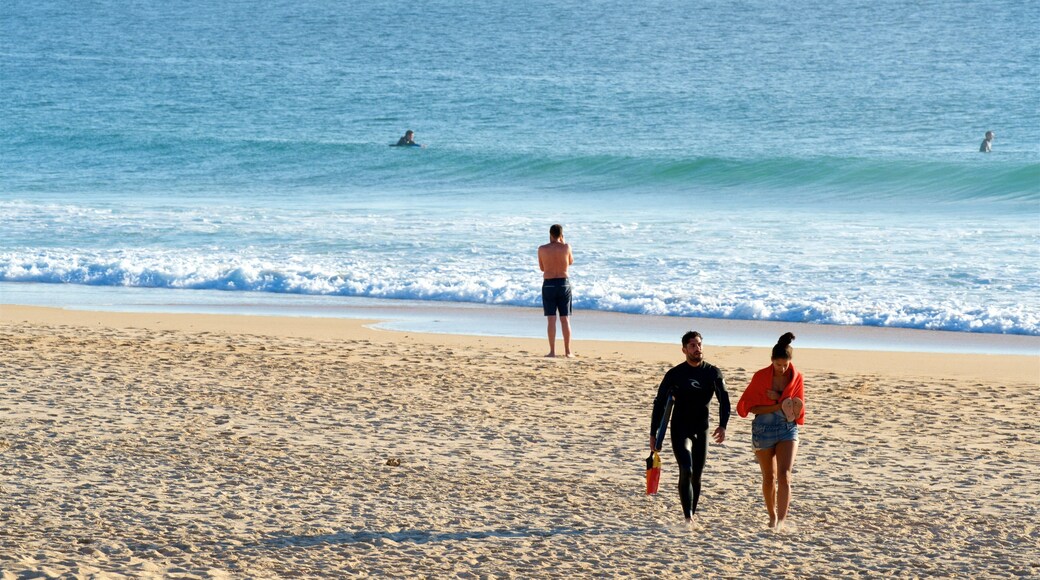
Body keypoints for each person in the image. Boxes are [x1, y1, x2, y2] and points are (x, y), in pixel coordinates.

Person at [649, 331, 730, 523]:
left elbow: (724, 401)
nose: (697, 348)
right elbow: (660, 403)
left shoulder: (712, 373)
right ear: (684, 349)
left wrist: (723, 425)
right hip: (680, 428)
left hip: (702, 429)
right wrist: (654, 433)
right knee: (687, 468)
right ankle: (688, 518)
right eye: (692, 345)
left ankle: (691, 513)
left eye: (699, 344)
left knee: (697, 475)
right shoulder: (675, 374)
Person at [736, 332, 805, 530]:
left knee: (785, 476)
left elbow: (797, 408)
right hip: (763, 428)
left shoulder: (796, 377)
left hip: (786, 428)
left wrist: (782, 401)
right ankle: (772, 515)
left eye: (785, 365)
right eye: (778, 365)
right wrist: (778, 404)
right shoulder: (760, 377)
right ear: (771, 361)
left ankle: (781, 521)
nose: (782, 369)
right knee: (769, 477)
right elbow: (750, 408)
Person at [537, 224, 574, 358]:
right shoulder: (567, 247)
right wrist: (562, 244)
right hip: (563, 284)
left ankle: (552, 351)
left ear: (550, 234)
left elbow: (542, 268)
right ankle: (568, 351)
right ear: (561, 235)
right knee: (565, 319)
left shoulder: (542, 249)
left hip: (549, 285)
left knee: (551, 319)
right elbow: (570, 262)